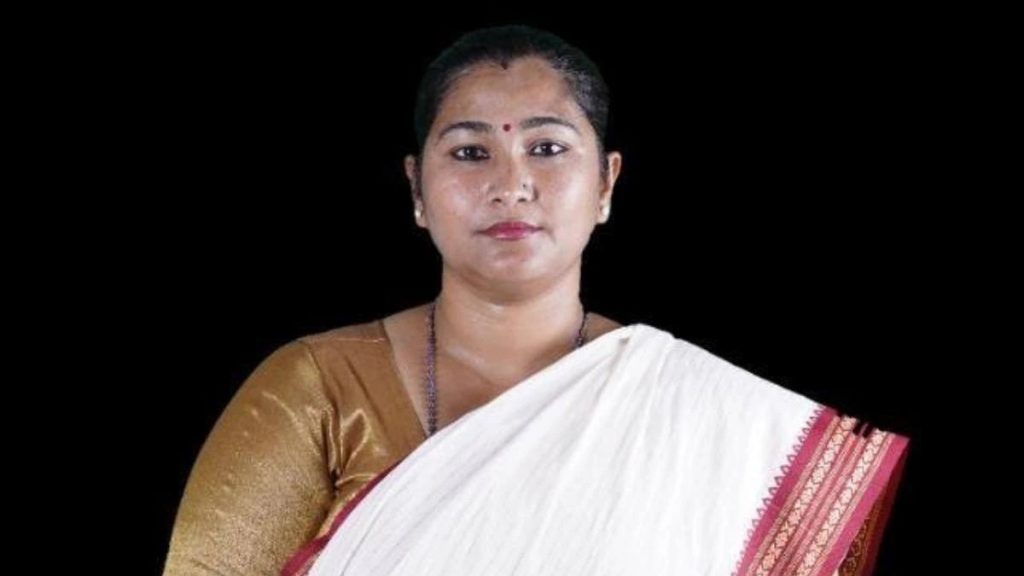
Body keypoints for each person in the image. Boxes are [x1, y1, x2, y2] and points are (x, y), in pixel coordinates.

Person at [162, 25, 908, 576]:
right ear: (417, 189)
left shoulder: (700, 416)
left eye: (547, 149)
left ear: (607, 183)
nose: (510, 184)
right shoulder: (318, 390)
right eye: (470, 152)